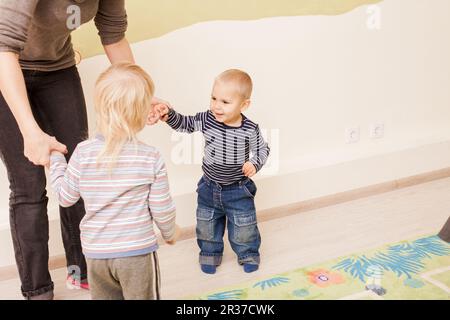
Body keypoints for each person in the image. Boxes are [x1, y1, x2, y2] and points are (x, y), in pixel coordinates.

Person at [0, 0, 136, 299]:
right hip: (6, 67)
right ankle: (37, 289)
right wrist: (30, 131)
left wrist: (139, 93)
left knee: (80, 172)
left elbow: (113, 34)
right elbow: (3, 47)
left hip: (57, 70)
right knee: (28, 186)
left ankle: (82, 272)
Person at [49, 62, 178, 300]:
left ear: (99, 108)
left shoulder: (83, 153)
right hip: (136, 253)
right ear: (141, 113)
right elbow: (162, 207)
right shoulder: (150, 157)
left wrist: (56, 159)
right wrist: (170, 233)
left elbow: (65, 198)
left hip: (96, 256)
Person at [155, 69, 270, 274]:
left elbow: (262, 149)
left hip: (238, 189)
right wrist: (168, 115)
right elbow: (186, 124)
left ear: (244, 105)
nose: (217, 105)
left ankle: (248, 253)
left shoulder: (249, 129)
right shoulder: (208, 119)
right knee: (207, 224)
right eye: (214, 98)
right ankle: (210, 253)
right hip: (209, 187)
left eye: (225, 102)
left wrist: (254, 163)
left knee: (244, 226)